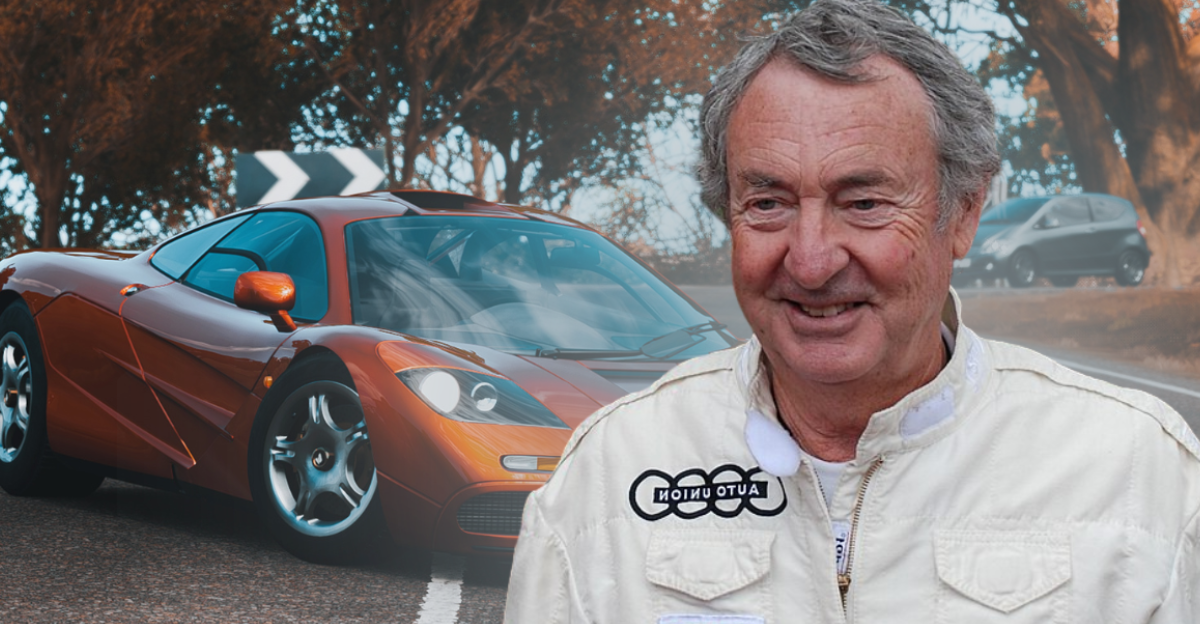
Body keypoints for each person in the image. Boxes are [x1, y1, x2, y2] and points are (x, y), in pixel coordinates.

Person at [503, 1, 1200, 621]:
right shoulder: (616, 468)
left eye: (864, 202)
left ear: (963, 213)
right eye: (767, 202)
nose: (810, 262)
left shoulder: (1132, 472)